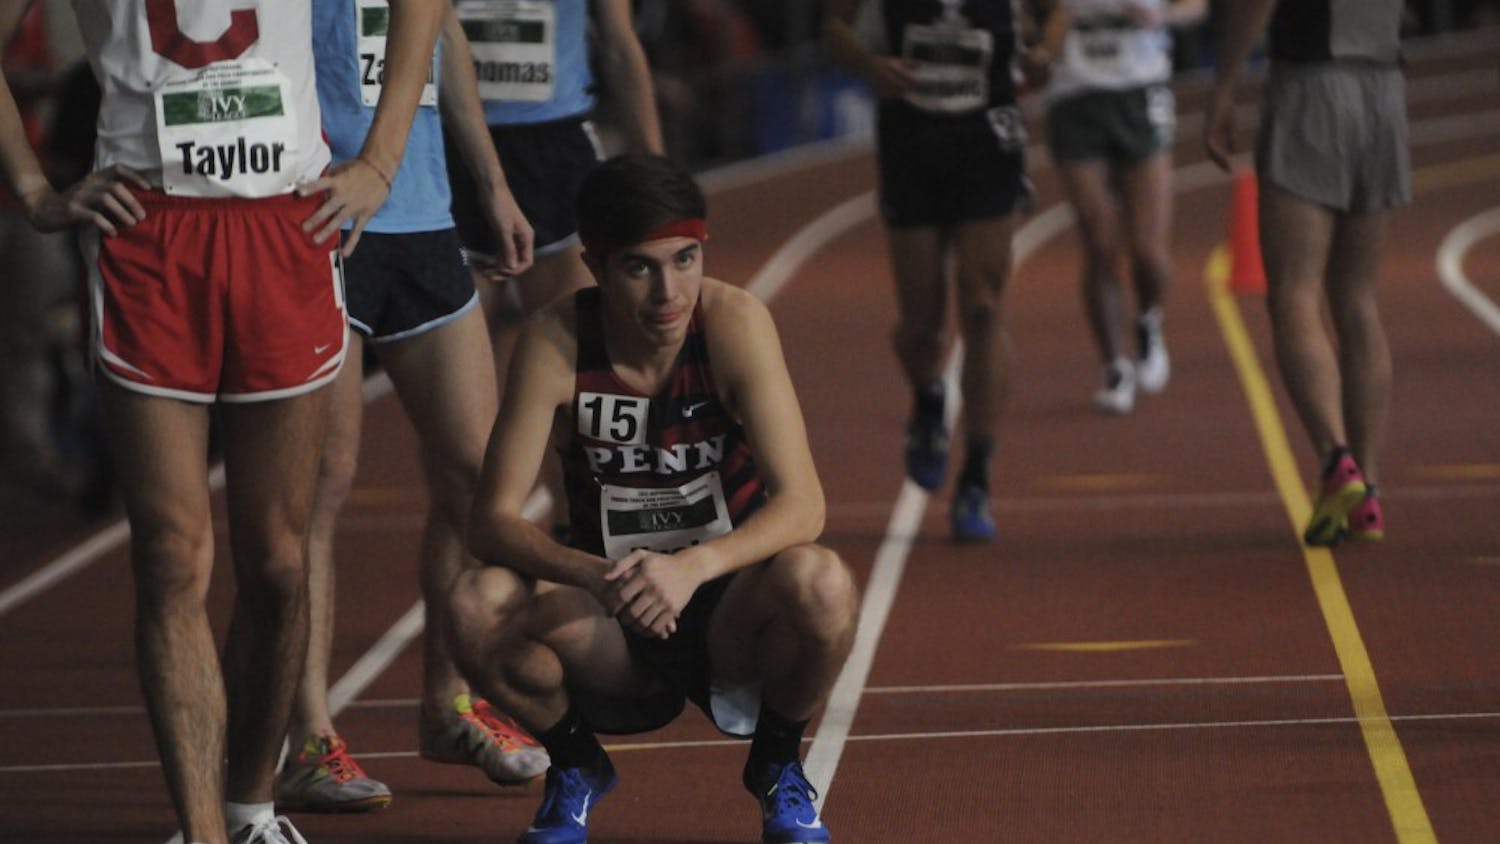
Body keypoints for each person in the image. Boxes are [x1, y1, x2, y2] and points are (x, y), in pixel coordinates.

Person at [0, 2, 442, 843]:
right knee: (171, 557)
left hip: (286, 223)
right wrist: (33, 190)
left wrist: (380, 164)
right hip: (151, 232)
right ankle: (204, 833)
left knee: (277, 564)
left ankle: (249, 804)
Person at [444, 154, 859, 844]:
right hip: (612, 609)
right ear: (597, 267)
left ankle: (779, 766)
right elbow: (490, 521)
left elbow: (804, 506)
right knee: (473, 602)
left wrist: (693, 566)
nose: (670, 292)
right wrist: (595, 577)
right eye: (641, 267)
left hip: (731, 605)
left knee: (823, 584)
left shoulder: (734, 322)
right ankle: (575, 765)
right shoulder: (556, 339)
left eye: (686, 259)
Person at [272, 2, 549, 814]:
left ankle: (448, 704)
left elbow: (441, 38)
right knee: (322, 482)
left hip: (424, 215)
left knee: (477, 471)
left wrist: (492, 185)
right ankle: (310, 738)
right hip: (322, 216)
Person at [821, 0, 1049, 541]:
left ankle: (976, 474)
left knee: (984, 306)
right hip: (912, 141)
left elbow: (1050, 18)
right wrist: (870, 65)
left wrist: (1045, 53)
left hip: (988, 135)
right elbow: (832, 30)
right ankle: (928, 397)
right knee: (921, 326)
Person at [1205, 0, 1405, 546]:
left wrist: (1224, 85)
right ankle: (1369, 491)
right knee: (1358, 300)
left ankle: (1336, 459)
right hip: (1384, 88)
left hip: (1313, 86)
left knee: (1294, 291)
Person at [1036, 0, 1205, 414]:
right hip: (1074, 99)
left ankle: (1148, 320)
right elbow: (1038, 14)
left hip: (1140, 95)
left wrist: (1163, 16)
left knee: (1149, 254)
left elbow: (1197, 5)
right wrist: (1043, 46)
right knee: (1100, 244)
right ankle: (1115, 366)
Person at [446, 0, 662, 322]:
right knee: (462, 354)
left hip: (555, 152)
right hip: (451, 147)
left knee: (567, 344)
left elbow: (619, 46)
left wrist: (658, 175)